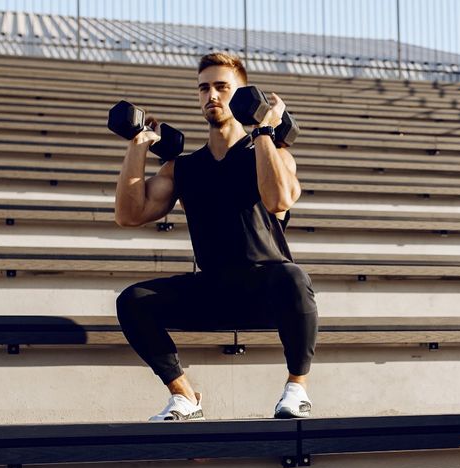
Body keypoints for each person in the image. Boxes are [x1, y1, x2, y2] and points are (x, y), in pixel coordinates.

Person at [114, 52, 317, 421]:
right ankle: (185, 397)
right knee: (133, 300)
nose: (212, 95)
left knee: (294, 277)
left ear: (242, 94)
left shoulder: (271, 151)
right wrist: (138, 146)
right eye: (204, 88)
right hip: (214, 290)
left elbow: (279, 200)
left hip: (267, 292)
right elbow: (129, 215)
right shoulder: (184, 168)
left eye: (222, 87)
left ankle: (296, 389)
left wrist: (265, 132)